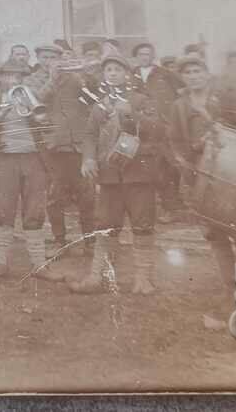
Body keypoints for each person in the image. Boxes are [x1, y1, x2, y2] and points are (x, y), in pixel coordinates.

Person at [168, 54, 236, 328]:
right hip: (202, 177)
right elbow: (175, 144)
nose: (194, 76)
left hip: (232, 174)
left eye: (198, 70)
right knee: (216, 236)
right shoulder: (179, 106)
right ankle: (230, 294)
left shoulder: (224, 99)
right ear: (183, 77)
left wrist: (224, 131)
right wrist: (195, 149)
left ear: (207, 73)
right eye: (188, 72)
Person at [68, 54, 165, 295]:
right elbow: (89, 135)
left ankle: (143, 280)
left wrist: (132, 113)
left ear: (127, 74)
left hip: (138, 174)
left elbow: (157, 130)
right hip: (110, 175)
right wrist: (88, 158)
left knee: (142, 224)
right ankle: (97, 277)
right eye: (108, 70)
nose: (112, 73)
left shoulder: (142, 100)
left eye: (117, 69)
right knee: (106, 225)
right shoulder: (99, 105)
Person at [0, 61, 64, 282]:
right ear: (0, 77)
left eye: (18, 76)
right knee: (3, 211)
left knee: (34, 211)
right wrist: (1, 115)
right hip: (4, 159)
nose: (13, 80)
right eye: (8, 76)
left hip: (33, 159)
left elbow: (49, 125)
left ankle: (39, 265)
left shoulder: (30, 95)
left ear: (23, 78)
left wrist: (37, 116)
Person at [27, 44, 94, 257]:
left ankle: (90, 241)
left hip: (78, 144)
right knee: (55, 196)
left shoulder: (73, 77)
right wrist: (52, 78)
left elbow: (90, 98)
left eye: (54, 57)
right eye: (45, 57)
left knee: (87, 195)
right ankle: (59, 241)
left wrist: (82, 75)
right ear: (38, 58)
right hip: (53, 146)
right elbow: (36, 101)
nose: (50, 61)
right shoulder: (32, 79)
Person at [130, 42, 184, 222]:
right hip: (140, 128)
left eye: (148, 54)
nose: (145, 57)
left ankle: (171, 208)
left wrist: (171, 117)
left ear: (153, 56)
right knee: (142, 168)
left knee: (166, 168)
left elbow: (181, 93)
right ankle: (145, 210)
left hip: (163, 126)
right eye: (141, 54)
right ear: (136, 57)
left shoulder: (165, 74)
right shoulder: (131, 75)